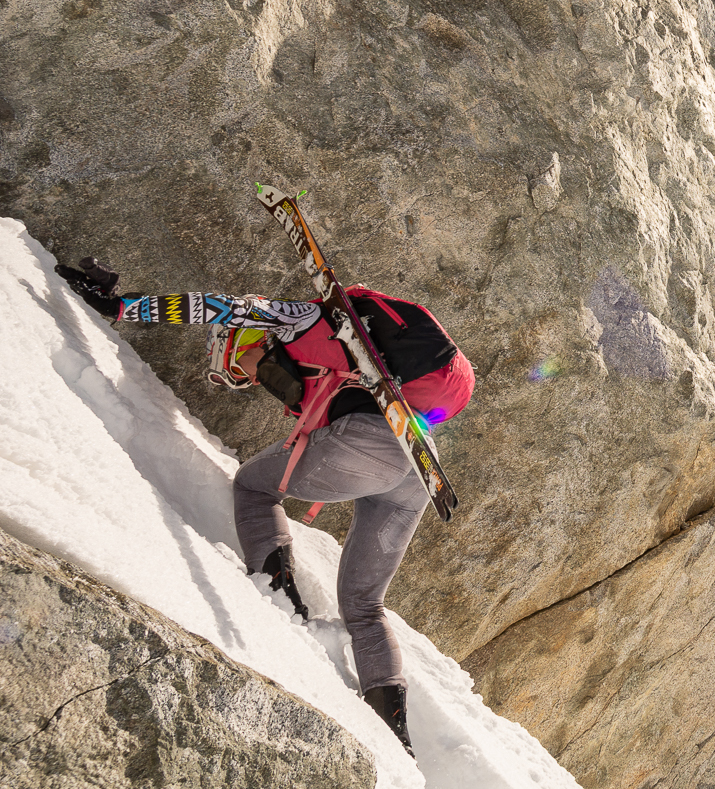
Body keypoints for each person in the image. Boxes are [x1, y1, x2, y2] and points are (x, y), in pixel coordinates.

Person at [56, 258, 473, 757]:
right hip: (414, 467)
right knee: (364, 606)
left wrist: (121, 305)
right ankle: (396, 734)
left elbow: (213, 307)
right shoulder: (341, 358)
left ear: (241, 341)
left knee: (254, 487)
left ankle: (277, 595)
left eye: (235, 367)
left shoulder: (294, 318)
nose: (246, 379)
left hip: (369, 444)